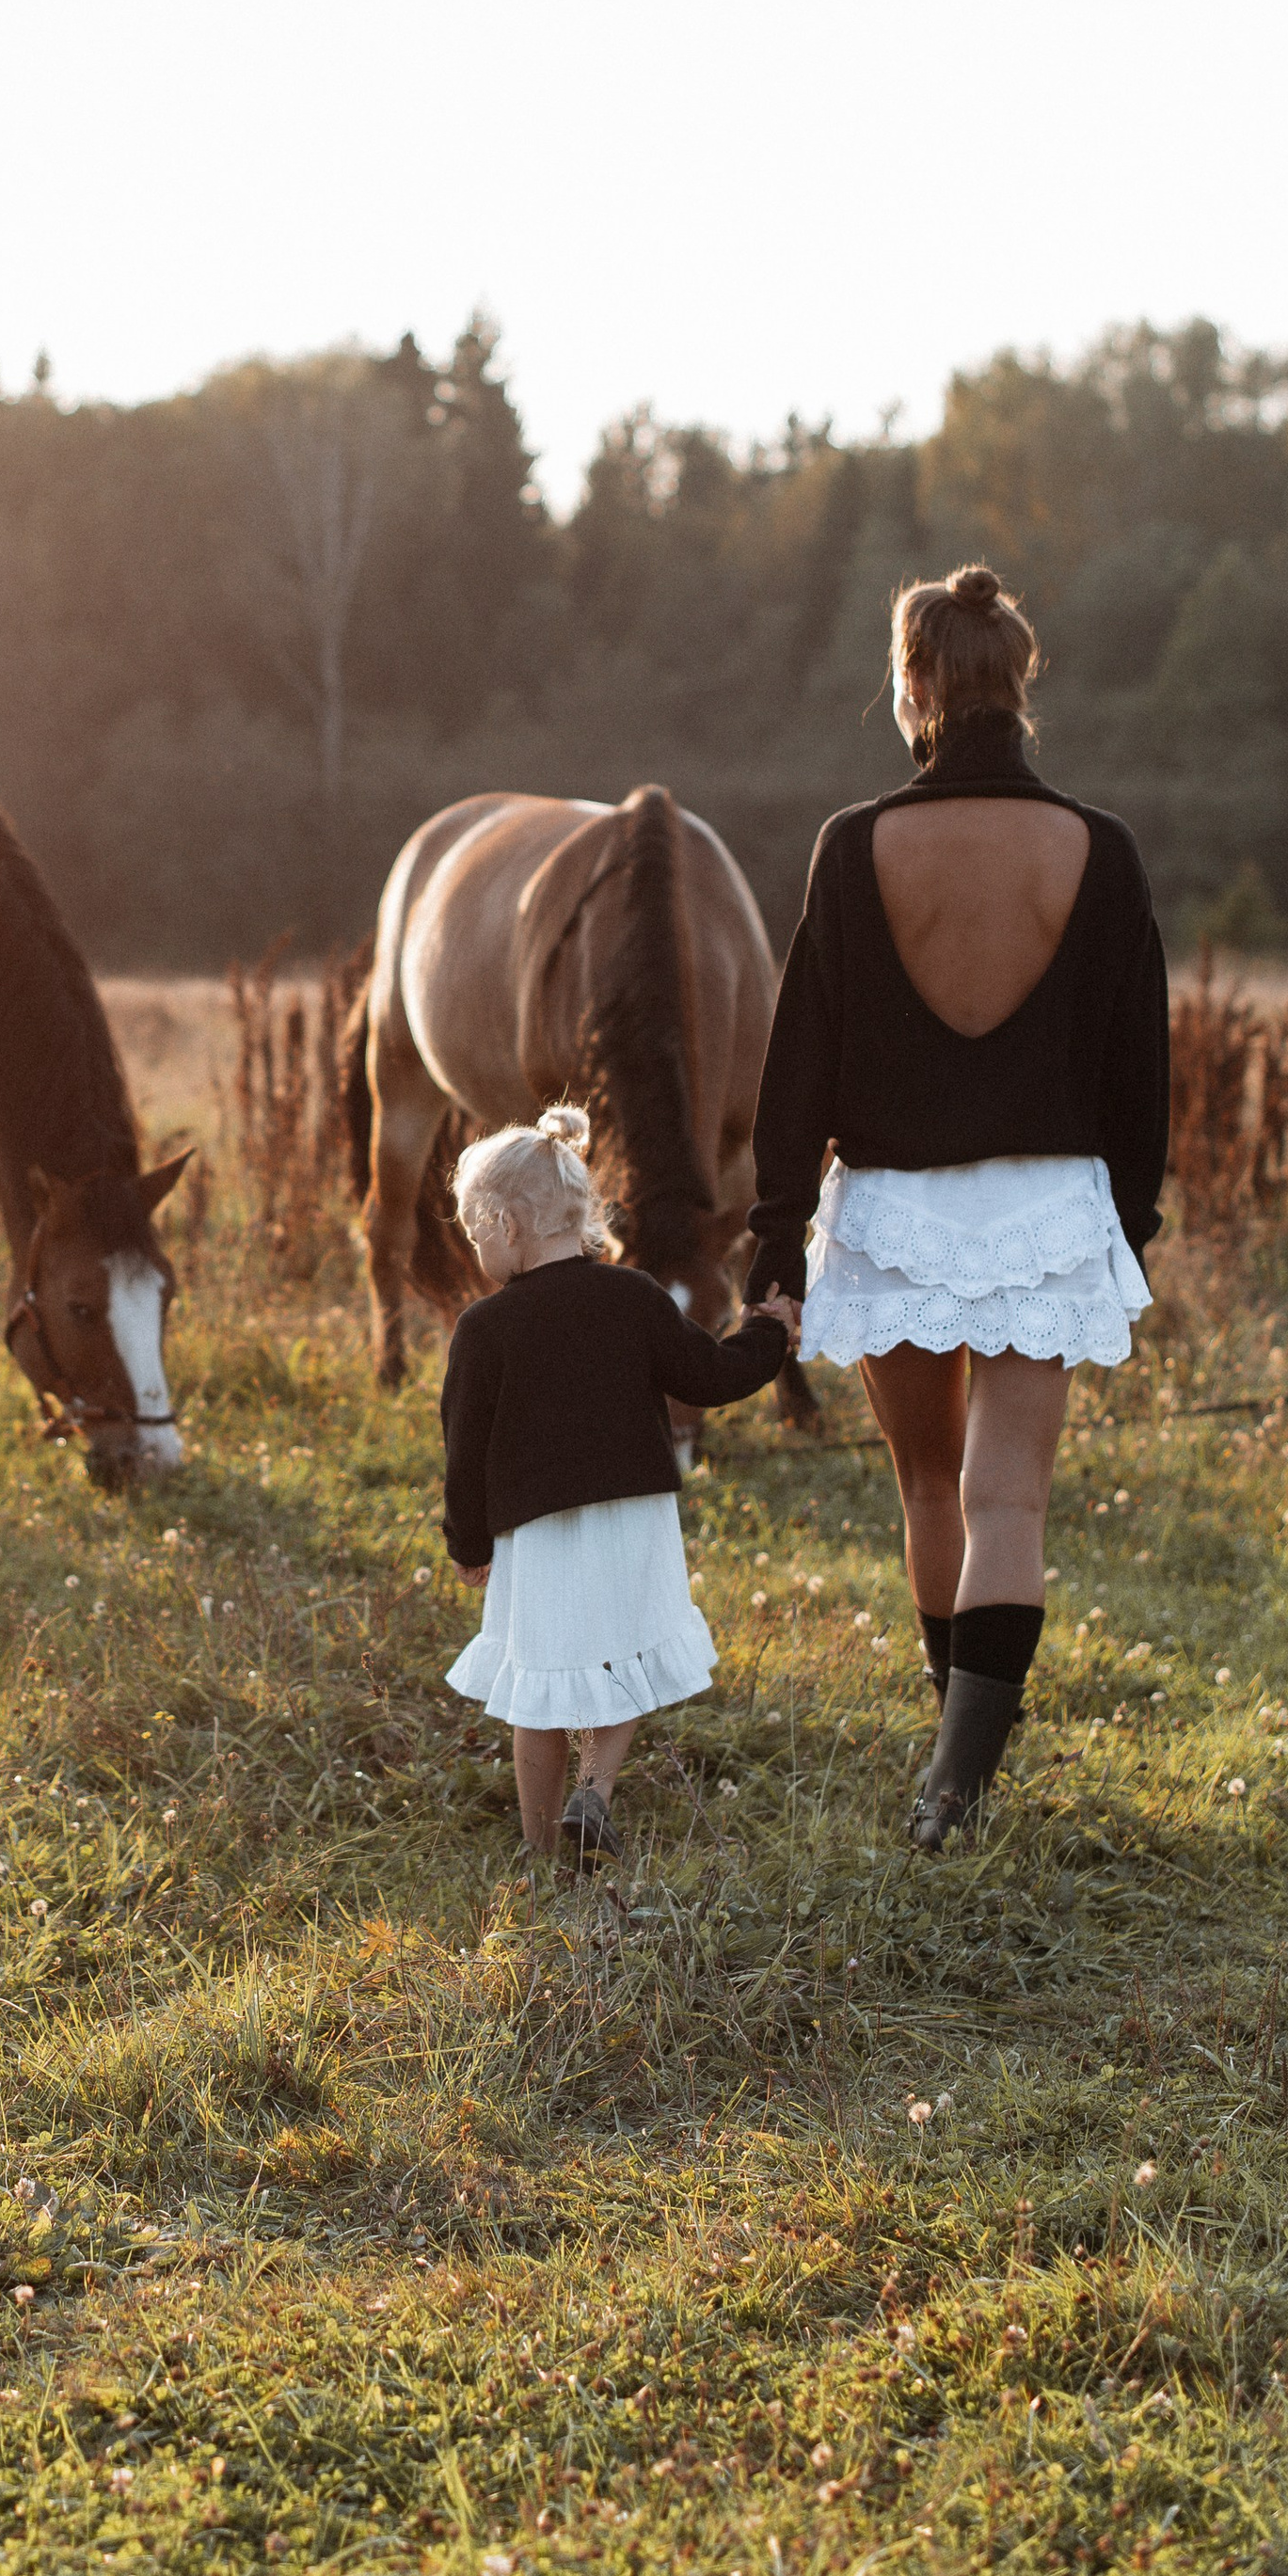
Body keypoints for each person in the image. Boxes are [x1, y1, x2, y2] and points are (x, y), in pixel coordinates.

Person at [747, 564, 1169, 1850]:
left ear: (913, 683)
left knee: (932, 1486)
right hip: (1047, 1202)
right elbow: (1137, 1056)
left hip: (892, 1207)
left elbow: (800, 1055)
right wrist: (1126, 1222)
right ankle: (959, 1781)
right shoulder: (1096, 847)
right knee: (1011, 1504)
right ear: (1019, 683)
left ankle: (950, 1743)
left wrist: (775, 1228)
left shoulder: (852, 842)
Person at [440, 1106, 796, 1862]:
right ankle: (594, 1793)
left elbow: (463, 1447)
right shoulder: (635, 1296)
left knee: (536, 1691)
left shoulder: (484, 1327)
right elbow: (710, 1375)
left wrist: (467, 1542)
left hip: (536, 1531)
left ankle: (543, 1852)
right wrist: (769, 1330)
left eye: (475, 1234)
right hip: (634, 1519)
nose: (477, 1252)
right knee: (625, 1659)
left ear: (508, 1224)